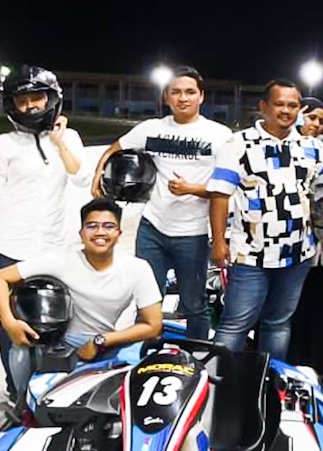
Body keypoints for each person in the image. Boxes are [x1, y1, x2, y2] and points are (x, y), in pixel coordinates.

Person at [0, 65, 89, 403]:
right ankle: (15, 388)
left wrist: (60, 142)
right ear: (13, 106)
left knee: (51, 313)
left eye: (38, 98)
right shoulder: (4, 143)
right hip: (7, 241)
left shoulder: (70, 137)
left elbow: (80, 178)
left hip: (50, 243)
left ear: (52, 100)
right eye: (24, 101)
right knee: (13, 318)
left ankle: (45, 382)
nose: (32, 105)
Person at [92, 66, 232, 341]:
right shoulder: (151, 129)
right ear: (166, 97)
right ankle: (145, 357)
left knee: (194, 305)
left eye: (190, 92)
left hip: (192, 233)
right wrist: (98, 175)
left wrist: (192, 189)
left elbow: (227, 189)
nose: (183, 98)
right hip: (152, 229)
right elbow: (114, 149)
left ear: (201, 97)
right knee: (146, 303)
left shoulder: (220, 135)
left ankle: (197, 357)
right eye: (176, 92)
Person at [206, 80, 323, 361]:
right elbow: (219, 195)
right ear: (264, 107)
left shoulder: (310, 145)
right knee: (235, 325)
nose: (286, 110)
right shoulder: (238, 144)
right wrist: (219, 241)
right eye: (279, 104)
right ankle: (217, 385)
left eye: (293, 105)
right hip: (250, 256)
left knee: (278, 324)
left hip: (297, 254)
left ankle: (269, 382)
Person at [0, 198, 163, 396]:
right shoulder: (61, 261)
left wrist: (101, 340)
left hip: (108, 341)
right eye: (92, 226)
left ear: (119, 233)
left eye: (109, 226)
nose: (100, 232)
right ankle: (24, 405)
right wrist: (9, 323)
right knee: (21, 347)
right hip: (62, 342)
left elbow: (153, 325)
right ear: (81, 233)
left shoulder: (137, 269)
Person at [287, 97, 323, 377]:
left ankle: (320, 368)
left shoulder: (318, 149)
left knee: (318, 311)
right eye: (311, 117)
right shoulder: (282, 146)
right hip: (285, 249)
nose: (316, 125)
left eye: (321, 120)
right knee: (289, 314)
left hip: (318, 246)